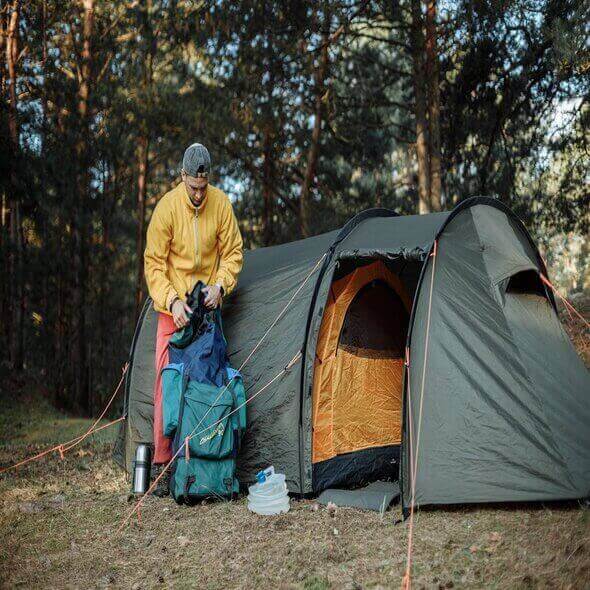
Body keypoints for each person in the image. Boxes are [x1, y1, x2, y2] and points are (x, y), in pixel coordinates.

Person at [144, 143, 243, 491]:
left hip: (206, 310)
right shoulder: (167, 209)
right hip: (173, 309)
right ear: (183, 176)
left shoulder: (221, 205)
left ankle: (200, 462)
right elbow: (154, 263)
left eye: (203, 188)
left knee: (206, 383)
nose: (199, 195)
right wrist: (171, 301)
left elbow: (233, 253)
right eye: (193, 188)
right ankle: (161, 466)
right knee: (167, 383)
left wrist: (220, 285)